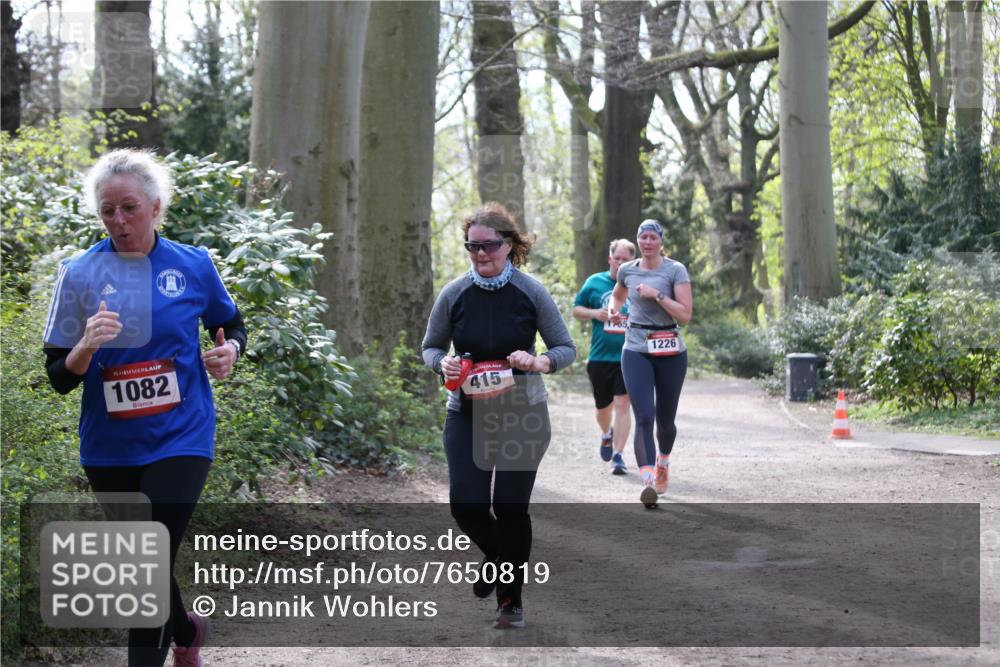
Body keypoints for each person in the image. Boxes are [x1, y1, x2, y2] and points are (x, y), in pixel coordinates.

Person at [43, 149, 247, 667]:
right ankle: (186, 628)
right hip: (110, 446)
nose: (119, 220)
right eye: (108, 210)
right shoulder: (80, 274)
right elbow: (58, 378)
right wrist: (85, 346)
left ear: (156, 208)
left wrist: (230, 352)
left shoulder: (193, 264)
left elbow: (232, 324)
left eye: (130, 207)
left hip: (182, 437)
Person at [422, 202, 575, 629]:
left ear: (508, 245)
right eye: (472, 246)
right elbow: (431, 346)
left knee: (510, 509)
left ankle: (510, 601)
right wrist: (443, 365)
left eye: (488, 246)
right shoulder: (454, 293)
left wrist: (538, 362)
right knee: (466, 506)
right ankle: (496, 556)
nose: (480, 254)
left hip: (522, 413)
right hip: (467, 413)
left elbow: (565, 347)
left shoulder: (530, 291)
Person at [608, 220, 692, 508]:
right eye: (642, 236)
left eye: (652, 237)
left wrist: (656, 295)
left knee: (665, 422)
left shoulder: (675, 270)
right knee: (644, 416)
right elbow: (617, 297)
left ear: (660, 241)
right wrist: (613, 311)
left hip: (670, 347)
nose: (647, 242)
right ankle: (648, 483)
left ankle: (663, 461)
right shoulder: (627, 270)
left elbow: (685, 315)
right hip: (635, 347)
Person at [572, 239, 636, 474]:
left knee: (623, 403)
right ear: (610, 259)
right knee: (602, 409)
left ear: (633, 261)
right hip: (600, 356)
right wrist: (594, 313)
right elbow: (576, 309)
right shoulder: (594, 282)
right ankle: (606, 433)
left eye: (625, 259)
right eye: (616, 258)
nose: (620, 263)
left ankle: (618, 455)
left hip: (630, 355)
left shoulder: (637, 284)